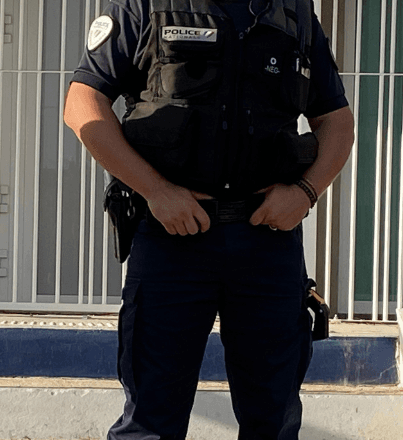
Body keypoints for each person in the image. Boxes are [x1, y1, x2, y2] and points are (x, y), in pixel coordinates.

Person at [64, 0, 354, 439]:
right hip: (171, 241)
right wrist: (156, 191)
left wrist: (306, 193)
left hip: (266, 242)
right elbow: (82, 103)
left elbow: (337, 121)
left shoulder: (293, 13)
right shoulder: (145, 7)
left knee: (272, 420)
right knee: (151, 422)